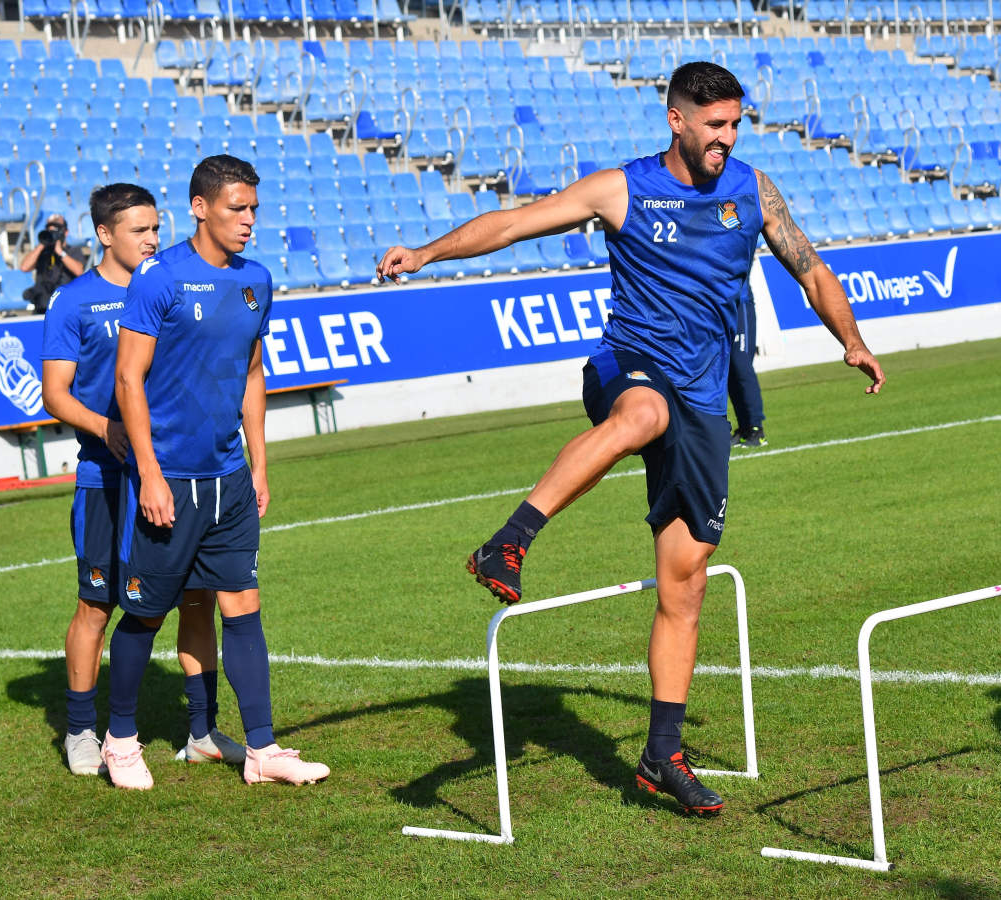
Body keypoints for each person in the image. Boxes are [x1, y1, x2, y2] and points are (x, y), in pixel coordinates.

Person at [377, 62, 883, 815]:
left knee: (686, 582)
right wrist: (424, 254)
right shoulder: (624, 188)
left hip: (706, 399)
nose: (727, 138)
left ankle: (660, 757)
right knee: (645, 415)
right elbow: (515, 223)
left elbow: (809, 267)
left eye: (735, 124)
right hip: (630, 368)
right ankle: (509, 541)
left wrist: (852, 340)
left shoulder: (753, 189)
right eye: (714, 125)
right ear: (676, 120)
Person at [106, 155, 328, 790]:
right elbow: (128, 378)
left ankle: (262, 749)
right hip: (168, 479)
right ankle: (122, 740)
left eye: (254, 208)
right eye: (237, 208)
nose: (249, 221)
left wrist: (260, 464)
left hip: (229, 479)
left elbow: (253, 374)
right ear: (200, 208)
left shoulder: (256, 280)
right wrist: (148, 472)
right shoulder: (159, 278)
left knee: (243, 606)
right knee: (145, 615)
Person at [40, 183, 247, 777]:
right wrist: (108, 431)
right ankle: (81, 730)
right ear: (105, 235)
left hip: (180, 476)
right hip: (107, 477)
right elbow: (55, 393)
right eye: (139, 230)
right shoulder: (74, 302)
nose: (153, 240)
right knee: (97, 605)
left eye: (157, 228)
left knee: (198, 600)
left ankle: (202, 730)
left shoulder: (174, 286)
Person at [20, 214, 87, 313]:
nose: (52, 234)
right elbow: (24, 268)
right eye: (50, 231)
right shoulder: (42, 251)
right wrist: (42, 243)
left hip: (66, 306)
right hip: (43, 306)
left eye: (56, 231)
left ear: (66, 232)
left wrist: (60, 252)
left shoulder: (73, 251)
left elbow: (79, 271)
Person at [728, 280, 767, 449]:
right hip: (719, 306)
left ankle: (756, 428)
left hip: (739, 303)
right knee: (729, 370)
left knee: (741, 364)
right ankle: (744, 428)